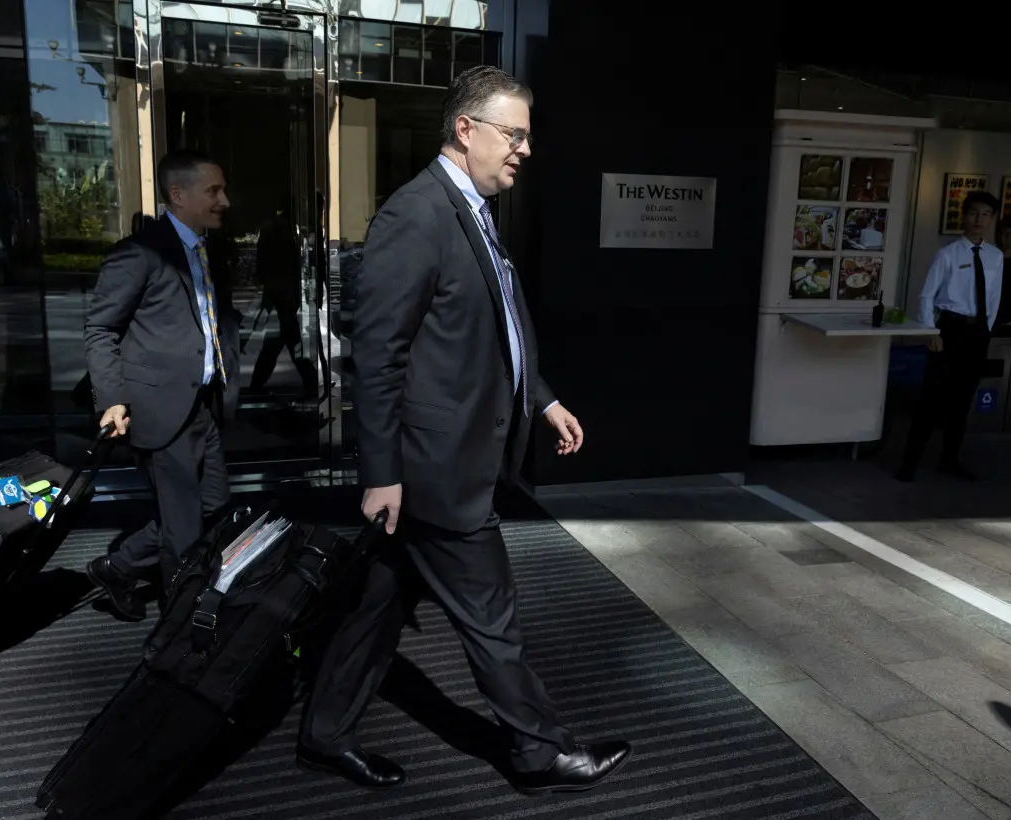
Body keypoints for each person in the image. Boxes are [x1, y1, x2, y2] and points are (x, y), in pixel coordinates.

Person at [295, 66, 631, 795]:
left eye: (527, 136)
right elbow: (378, 355)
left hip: (443, 462)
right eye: (515, 134)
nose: (525, 150)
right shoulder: (417, 216)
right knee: (492, 617)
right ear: (465, 129)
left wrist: (540, 399)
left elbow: (495, 331)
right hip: (435, 469)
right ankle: (540, 752)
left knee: (376, 612)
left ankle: (325, 733)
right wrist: (381, 472)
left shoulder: (471, 211)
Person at [83, 149, 240, 621]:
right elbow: (100, 330)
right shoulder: (139, 253)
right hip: (159, 407)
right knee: (185, 527)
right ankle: (180, 624)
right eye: (213, 190)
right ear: (178, 194)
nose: (224, 201)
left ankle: (117, 567)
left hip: (203, 403)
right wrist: (112, 400)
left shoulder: (208, 248)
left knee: (214, 508)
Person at [896, 191, 1004, 482]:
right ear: (964, 216)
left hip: (978, 333)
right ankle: (909, 463)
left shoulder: (996, 256)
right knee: (931, 399)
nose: (979, 219)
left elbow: (993, 297)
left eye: (985, 214)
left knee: (962, 400)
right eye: (973, 213)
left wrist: (986, 330)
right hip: (950, 331)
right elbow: (927, 294)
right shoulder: (948, 254)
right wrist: (930, 330)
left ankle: (949, 459)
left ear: (992, 219)